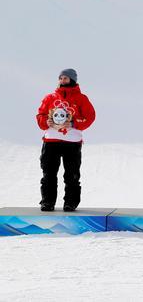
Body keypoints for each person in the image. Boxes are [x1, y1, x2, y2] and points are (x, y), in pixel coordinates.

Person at [36, 69, 96, 212]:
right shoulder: (49, 98)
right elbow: (40, 115)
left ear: (73, 80)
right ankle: (47, 202)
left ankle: (70, 203)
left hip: (72, 143)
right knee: (48, 173)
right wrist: (46, 122)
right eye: (61, 78)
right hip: (51, 142)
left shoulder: (82, 99)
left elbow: (90, 117)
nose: (62, 81)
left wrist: (74, 123)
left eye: (66, 78)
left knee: (72, 174)